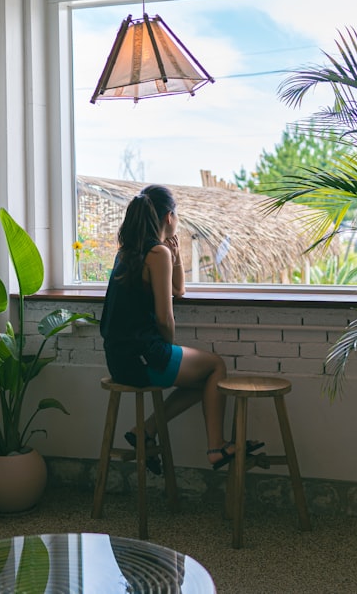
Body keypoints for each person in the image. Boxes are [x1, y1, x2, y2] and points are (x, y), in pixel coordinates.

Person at [100, 184, 261, 471]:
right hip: (144, 357)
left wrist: (176, 260)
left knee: (202, 381)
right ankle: (217, 448)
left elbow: (178, 290)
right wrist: (169, 348)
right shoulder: (157, 253)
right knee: (215, 368)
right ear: (169, 217)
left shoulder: (129, 251)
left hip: (118, 358)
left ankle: (145, 431)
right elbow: (165, 317)